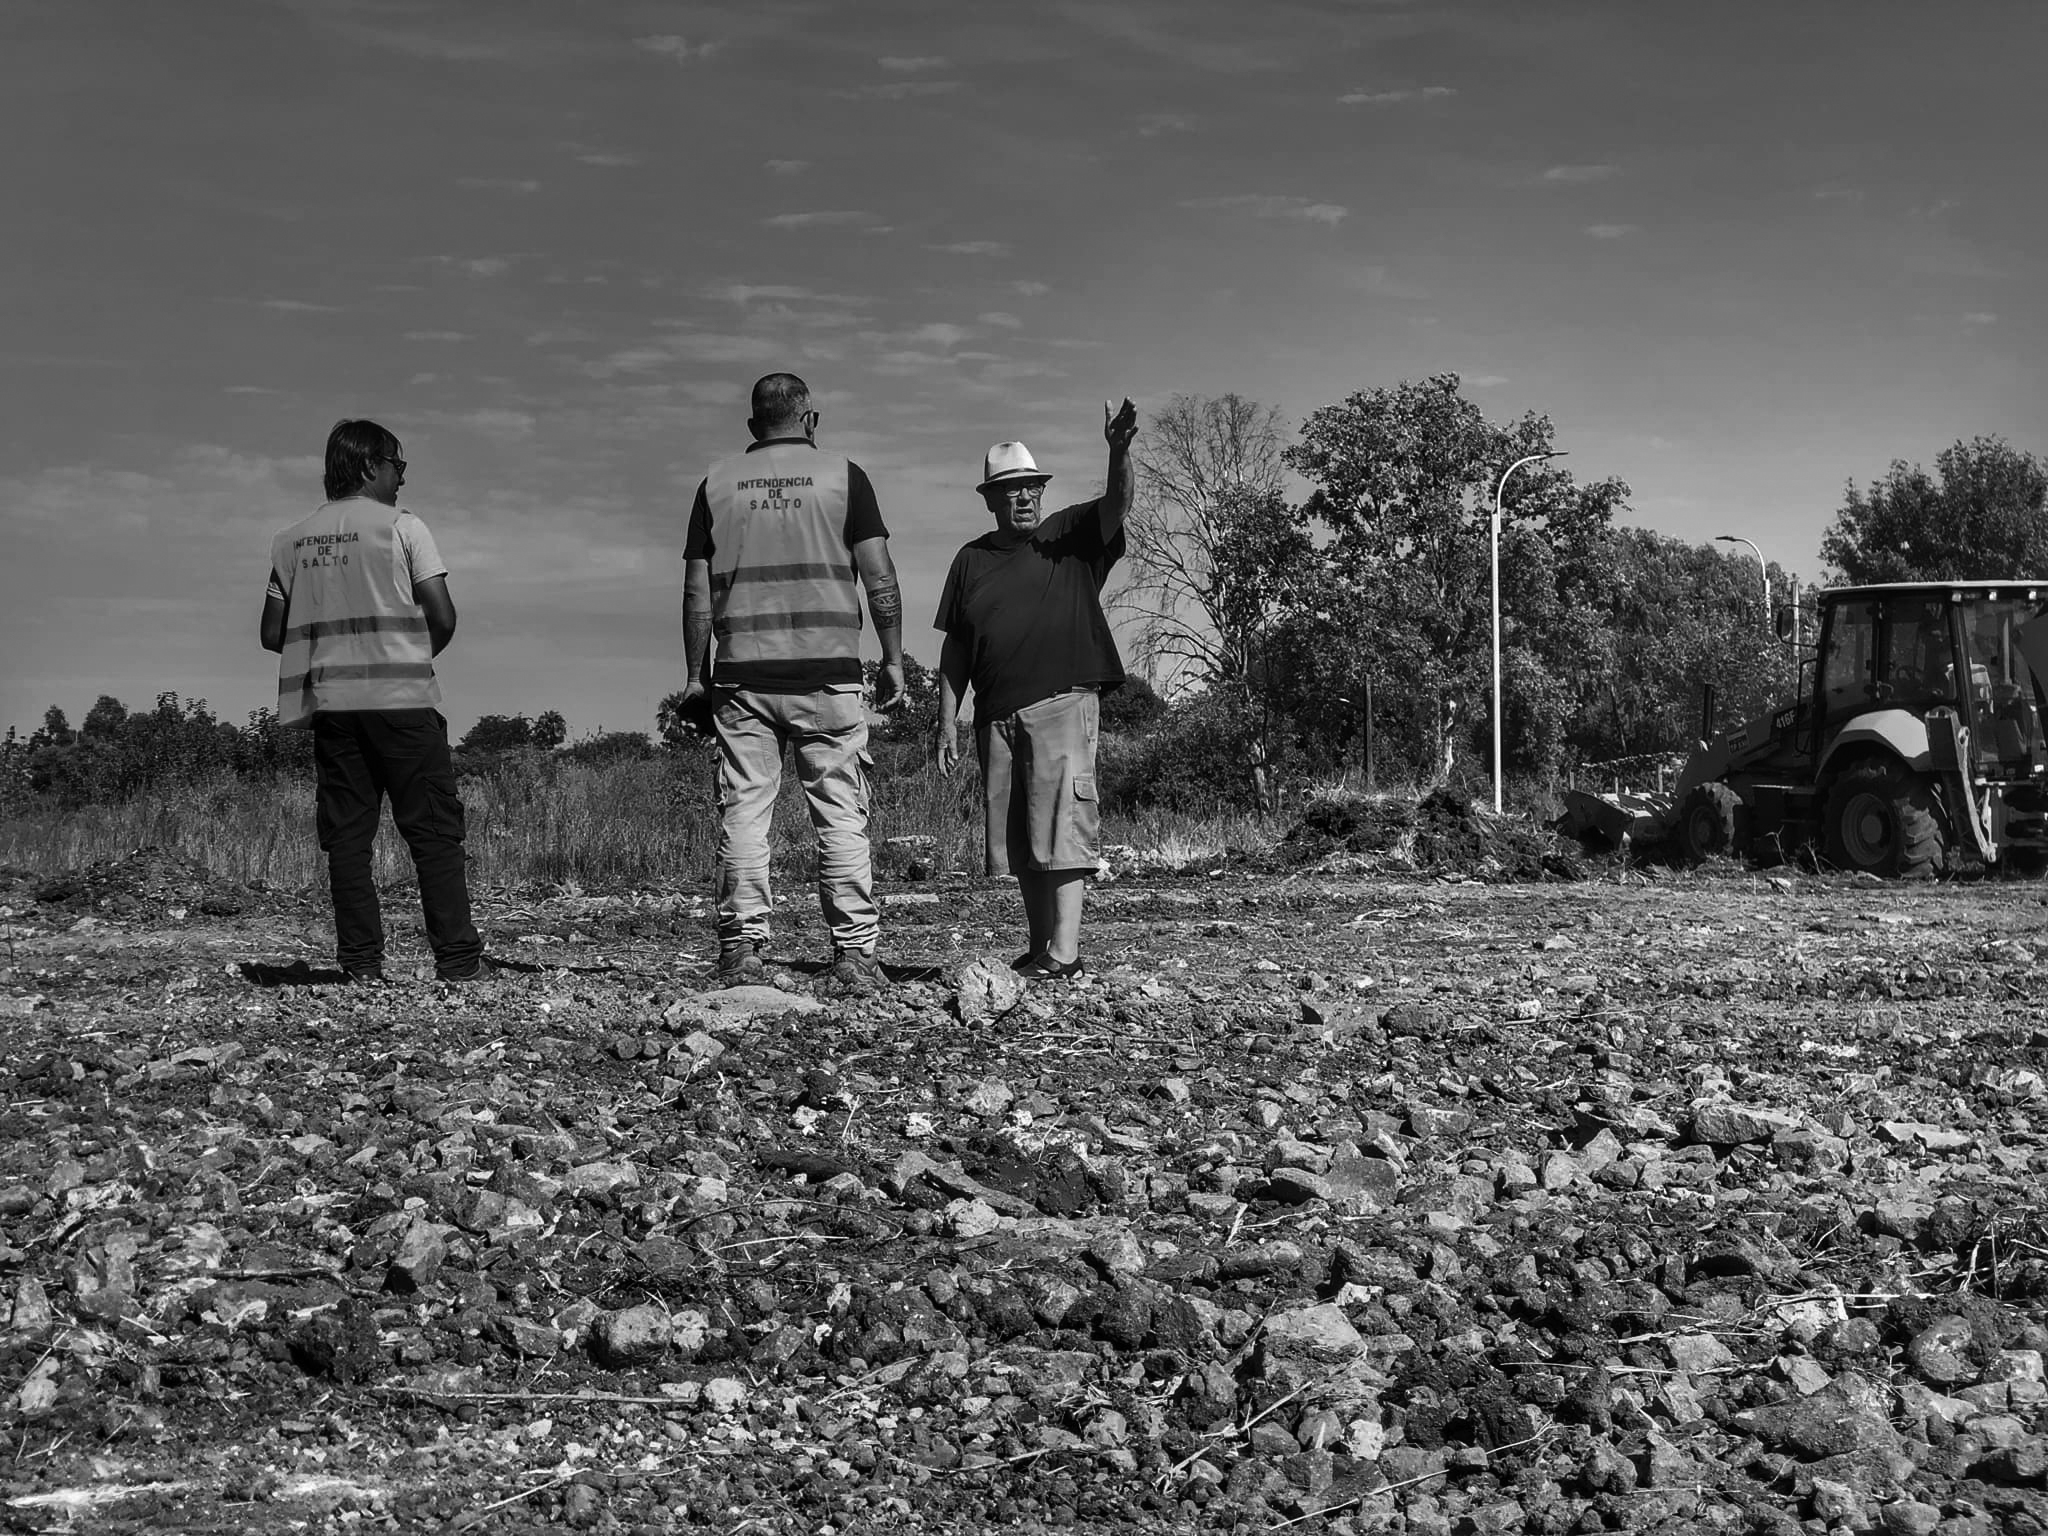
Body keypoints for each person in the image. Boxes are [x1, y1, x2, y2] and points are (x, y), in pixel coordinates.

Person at [677, 373, 906, 989]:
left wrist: (697, 677)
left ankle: (743, 950)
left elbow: (698, 592)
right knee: (838, 813)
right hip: (827, 672)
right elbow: (879, 576)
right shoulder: (844, 475)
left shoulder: (716, 484)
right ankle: (854, 954)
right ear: (812, 420)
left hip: (742, 678)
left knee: (745, 812)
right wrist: (892, 657)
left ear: (754, 427)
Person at [260, 420, 486, 984]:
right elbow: (443, 615)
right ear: (369, 467)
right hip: (404, 703)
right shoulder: (402, 528)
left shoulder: (291, 540)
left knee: (348, 842)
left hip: (334, 709)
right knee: (433, 834)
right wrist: (409, 655)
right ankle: (456, 963)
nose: (402, 478)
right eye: (397, 465)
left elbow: (271, 632)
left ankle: (361, 965)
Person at [935, 398, 1138, 980]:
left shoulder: (1068, 534)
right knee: (1021, 837)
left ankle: (1066, 953)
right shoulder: (970, 560)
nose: (1025, 497)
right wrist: (947, 719)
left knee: (1062, 826)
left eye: (1033, 487)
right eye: (1013, 489)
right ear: (991, 498)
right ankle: (1040, 945)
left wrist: (1118, 450)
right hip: (996, 715)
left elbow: (1118, 503)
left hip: (1061, 702)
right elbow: (956, 647)